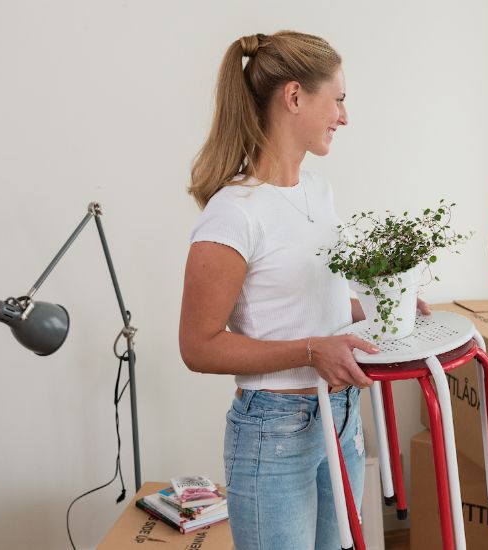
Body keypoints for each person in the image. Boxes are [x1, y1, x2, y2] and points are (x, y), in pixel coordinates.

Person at [179, 31, 427, 550]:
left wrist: (379, 310)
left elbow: (304, 302)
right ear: (294, 97)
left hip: (339, 417)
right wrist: (312, 352)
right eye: (337, 99)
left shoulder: (318, 191)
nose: (344, 115)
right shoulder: (234, 212)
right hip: (274, 431)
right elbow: (198, 346)